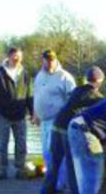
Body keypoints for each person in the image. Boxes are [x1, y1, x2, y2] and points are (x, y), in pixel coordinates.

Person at [38, 65, 105, 194]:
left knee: (54, 167)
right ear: (100, 81)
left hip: (56, 127)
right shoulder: (97, 97)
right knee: (73, 168)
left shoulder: (77, 90)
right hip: (68, 131)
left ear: (87, 79)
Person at [0, 46, 32, 179]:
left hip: (20, 114)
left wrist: (33, 113)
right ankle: (2, 170)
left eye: (19, 57)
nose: (17, 59)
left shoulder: (25, 73)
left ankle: (20, 169)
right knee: (2, 144)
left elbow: (29, 94)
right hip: (2, 114)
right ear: (9, 56)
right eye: (15, 56)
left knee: (21, 143)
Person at [32, 50, 76, 186]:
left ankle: (59, 182)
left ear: (56, 60)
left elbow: (73, 99)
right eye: (46, 59)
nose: (49, 62)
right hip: (43, 120)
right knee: (46, 152)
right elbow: (37, 95)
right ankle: (51, 179)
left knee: (55, 152)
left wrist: (66, 118)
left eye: (51, 59)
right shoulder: (40, 75)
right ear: (43, 60)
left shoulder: (65, 77)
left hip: (57, 120)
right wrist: (35, 113)